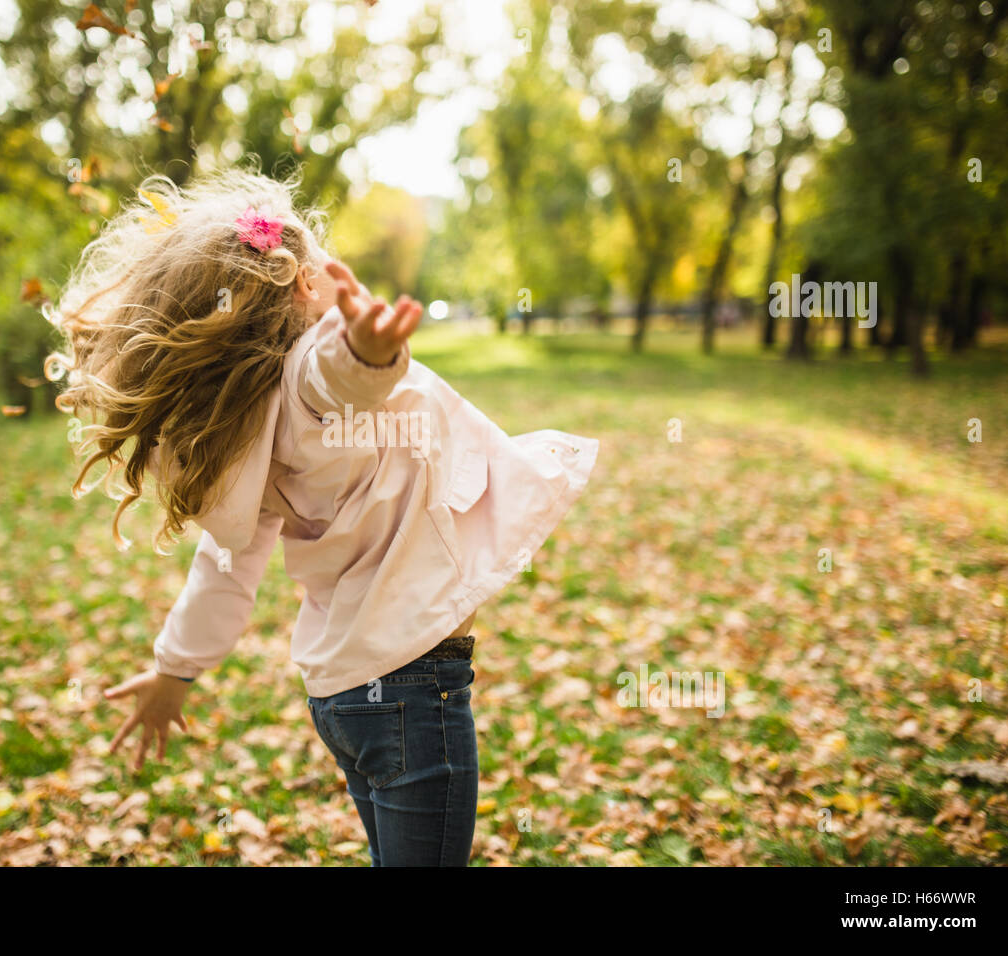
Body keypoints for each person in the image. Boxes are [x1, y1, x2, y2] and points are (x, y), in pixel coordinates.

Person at [45, 168, 599, 866]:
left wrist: (175, 668)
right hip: (413, 692)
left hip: (347, 700)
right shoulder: (312, 375)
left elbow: (225, 568)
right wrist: (369, 353)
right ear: (307, 285)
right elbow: (334, 379)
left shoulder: (247, 432)